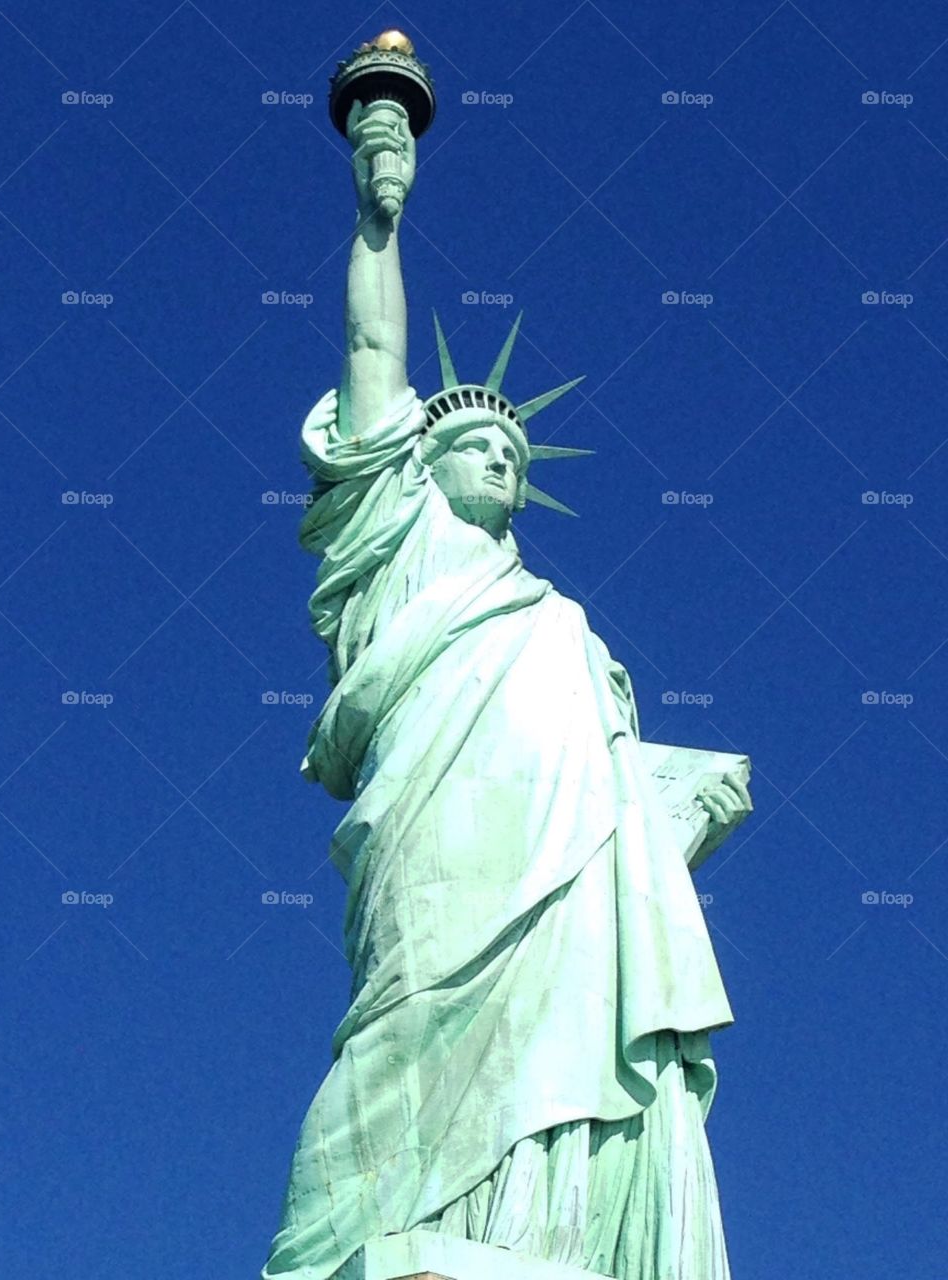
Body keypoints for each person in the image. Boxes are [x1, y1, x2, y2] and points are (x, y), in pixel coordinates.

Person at [262, 99, 750, 1280]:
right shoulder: (395, 541)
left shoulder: (560, 621)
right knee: (404, 1027)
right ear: (417, 464)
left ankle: (541, 1232)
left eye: (518, 457)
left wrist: (672, 806)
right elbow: (376, 357)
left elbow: (621, 782)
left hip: (568, 868)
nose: (505, 458)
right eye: (481, 444)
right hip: (437, 846)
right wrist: (379, 216)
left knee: (566, 1027)